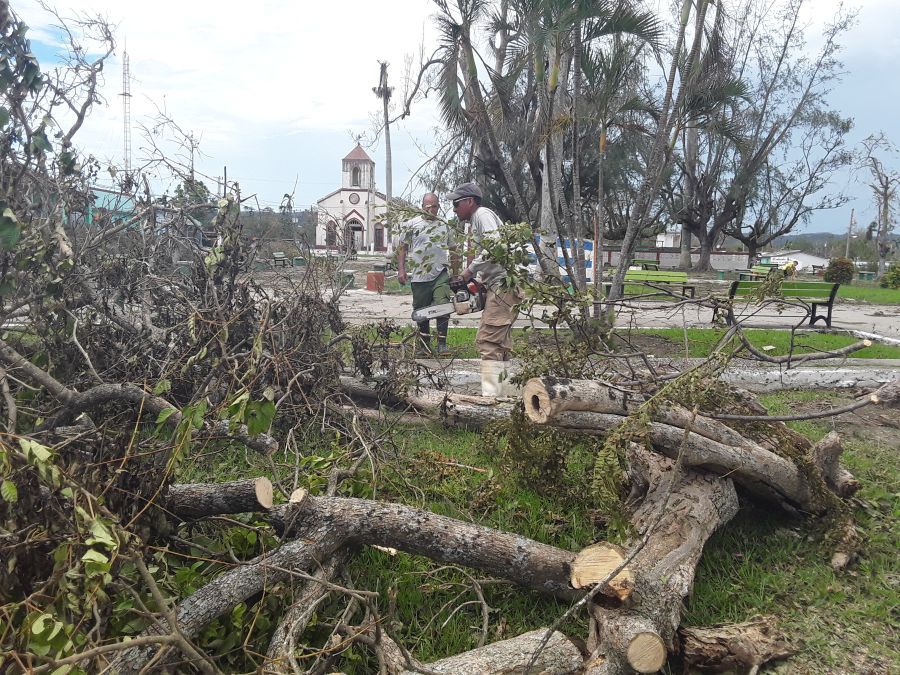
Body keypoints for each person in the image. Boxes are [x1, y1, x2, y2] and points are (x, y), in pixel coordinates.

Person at [449, 182, 521, 396]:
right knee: (500, 345)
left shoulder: (482, 215)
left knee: (488, 341)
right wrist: (479, 280)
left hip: (503, 285)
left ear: (469, 201)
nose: (454, 209)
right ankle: (501, 393)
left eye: (456, 203)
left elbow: (495, 247)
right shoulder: (478, 219)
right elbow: (493, 255)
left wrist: (468, 272)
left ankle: (491, 397)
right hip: (500, 283)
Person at [397, 193, 454, 355]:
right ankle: (424, 345)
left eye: (434, 206)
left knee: (443, 306)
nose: (431, 209)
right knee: (422, 312)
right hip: (419, 276)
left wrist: (456, 273)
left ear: (438, 207)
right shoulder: (412, 225)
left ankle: (442, 344)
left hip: (440, 274)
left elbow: (454, 249)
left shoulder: (445, 225)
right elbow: (402, 248)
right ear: (422, 206)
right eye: (428, 206)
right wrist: (401, 269)